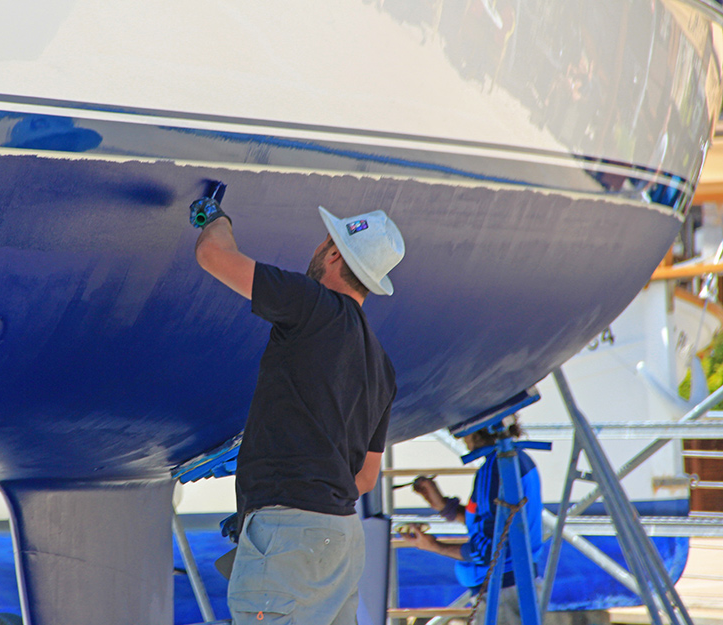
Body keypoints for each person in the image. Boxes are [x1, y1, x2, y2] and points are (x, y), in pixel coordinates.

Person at [190, 192, 405, 625]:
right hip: (341, 541)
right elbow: (364, 476)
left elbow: (214, 255)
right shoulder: (382, 364)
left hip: (292, 535)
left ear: (331, 254)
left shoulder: (312, 305)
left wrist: (213, 215)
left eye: (324, 243)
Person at [400, 417, 544, 625]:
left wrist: (433, 546)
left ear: (477, 431)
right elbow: (496, 525)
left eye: (462, 432)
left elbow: (488, 550)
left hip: (502, 590)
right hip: (514, 586)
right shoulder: (516, 458)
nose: (460, 438)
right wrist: (443, 506)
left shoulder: (495, 468)